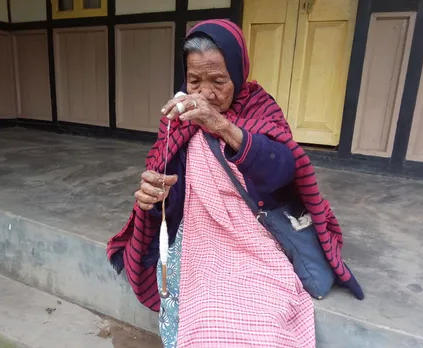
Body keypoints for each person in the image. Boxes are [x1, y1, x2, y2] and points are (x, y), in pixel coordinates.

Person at [107, 19, 362, 348]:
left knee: (267, 318)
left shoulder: (261, 108)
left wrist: (221, 126)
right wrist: (156, 197)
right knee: (205, 315)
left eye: (218, 81)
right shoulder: (176, 118)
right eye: (194, 81)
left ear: (238, 75)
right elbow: (171, 199)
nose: (205, 94)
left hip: (255, 234)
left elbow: (284, 170)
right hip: (200, 234)